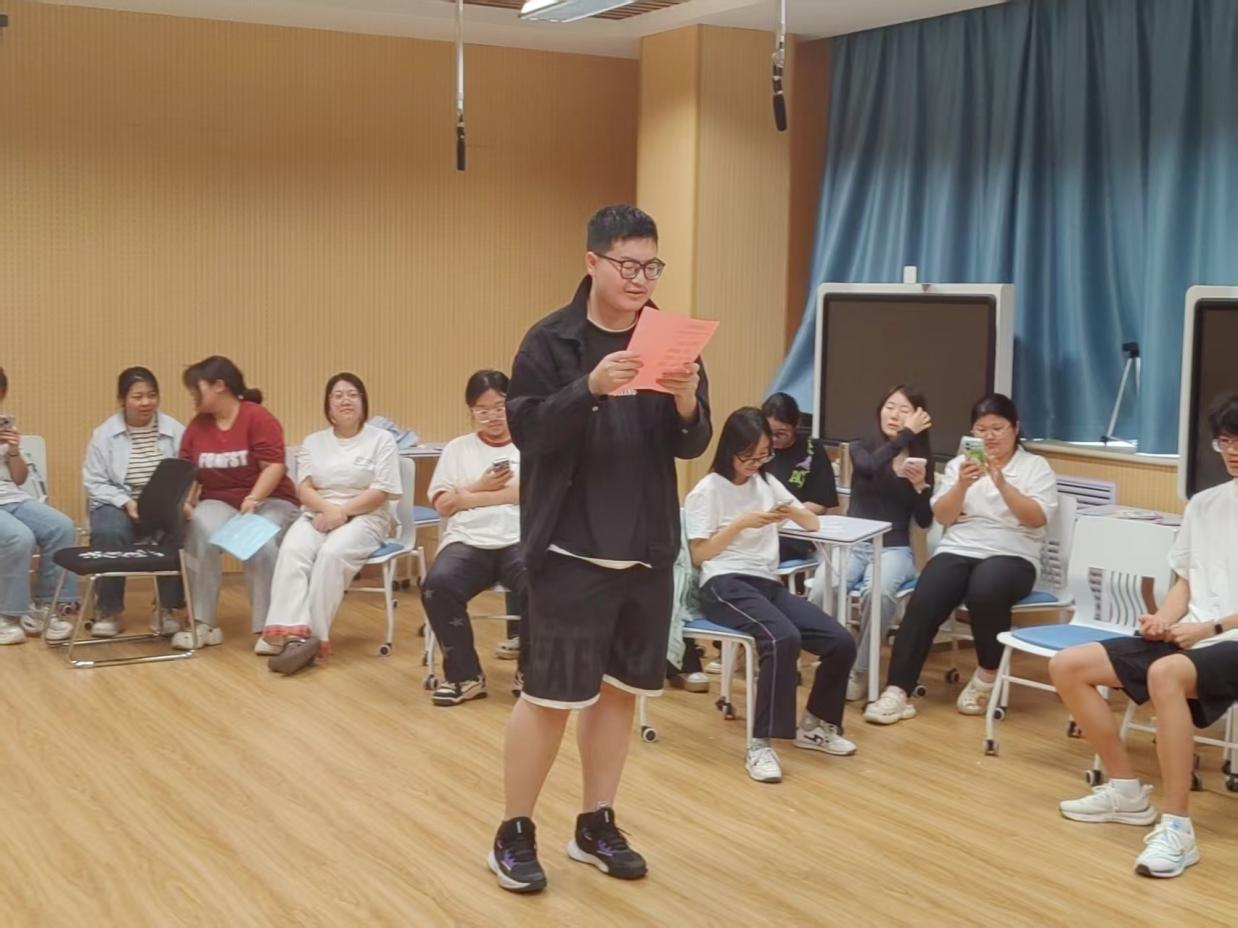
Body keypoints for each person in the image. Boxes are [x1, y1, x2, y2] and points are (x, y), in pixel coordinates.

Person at [488, 205, 711, 894]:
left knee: (619, 696)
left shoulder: (670, 337)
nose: (641, 279)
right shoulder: (549, 341)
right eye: (628, 265)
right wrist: (588, 388)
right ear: (593, 263)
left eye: (651, 266)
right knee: (550, 696)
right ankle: (513, 832)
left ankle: (595, 823)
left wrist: (686, 401)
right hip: (569, 547)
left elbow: (692, 443)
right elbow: (527, 430)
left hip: (646, 547)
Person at [1049, 392, 1238, 879]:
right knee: (1068, 665)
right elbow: (1186, 583)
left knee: (1166, 674)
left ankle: (1178, 828)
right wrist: (1162, 619)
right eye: (1225, 441)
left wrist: (1210, 627)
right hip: (1193, 634)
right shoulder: (1205, 504)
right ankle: (1127, 792)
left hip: (1228, 638)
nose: (1233, 451)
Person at [686, 407, 857, 783]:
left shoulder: (765, 482)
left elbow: (813, 523)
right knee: (782, 638)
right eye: (748, 456)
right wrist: (740, 524)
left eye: (763, 455)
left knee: (841, 640)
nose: (755, 464)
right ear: (730, 450)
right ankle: (759, 744)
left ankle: (816, 725)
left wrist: (790, 511)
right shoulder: (708, 490)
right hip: (724, 582)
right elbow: (698, 555)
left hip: (765, 582)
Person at [865, 393, 1058, 725]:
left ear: (1015, 428)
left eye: (997, 428)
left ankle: (987, 674)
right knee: (926, 595)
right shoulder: (959, 466)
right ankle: (897, 691)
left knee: (986, 588)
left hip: (1014, 553)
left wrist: (1001, 483)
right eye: (981, 429)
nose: (990, 436)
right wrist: (962, 485)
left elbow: (1036, 518)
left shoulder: (1034, 467)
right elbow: (942, 516)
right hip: (960, 547)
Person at [258, 373, 401, 673]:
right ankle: (287, 630)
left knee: (331, 554)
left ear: (363, 402)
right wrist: (328, 511)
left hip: (366, 515)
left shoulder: (381, 439)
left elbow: (380, 492)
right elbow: (304, 488)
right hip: (319, 512)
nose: (346, 400)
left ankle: (310, 638)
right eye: (338, 395)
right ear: (328, 405)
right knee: (293, 550)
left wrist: (343, 513)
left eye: (353, 394)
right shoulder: (314, 441)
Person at [420, 369, 529, 705]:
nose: (492, 416)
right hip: (467, 541)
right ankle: (465, 676)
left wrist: (466, 497)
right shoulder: (457, 449)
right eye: (482, 410)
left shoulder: (531, 443)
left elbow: (530, 493)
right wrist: (482, 486)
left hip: (519, 538)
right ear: (471, 411)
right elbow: (442, 505)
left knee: (542, 582)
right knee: (438, 584)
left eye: (499, 407)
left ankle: (532, 672)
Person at [176, 356, 299, 651]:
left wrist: (254, 498)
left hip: (270, 499)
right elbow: (188, 470)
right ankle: (202, 622)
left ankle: (271, 628)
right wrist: (186, 501)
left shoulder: (258, 418)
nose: (193, 395)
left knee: (258, 540)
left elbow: (274, 466)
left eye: (197, 388)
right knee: (198, 529)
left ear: (219, 386)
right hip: (219, 500)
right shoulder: (198, 426)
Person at [843, 385, 934, 701]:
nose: (895, 415)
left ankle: (859, 670)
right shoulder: (861, 446)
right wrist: (904, 436)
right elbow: (868, 467)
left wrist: (920, 487)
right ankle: (839, 654)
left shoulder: (920, 459)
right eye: (890, 407)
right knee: (822, 589)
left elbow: (924, 520)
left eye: (904, 410)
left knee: (879, 593)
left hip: (894, 547)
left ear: (918, 417)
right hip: (853, 542)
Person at [82, 367, 186, 638]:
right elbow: (95, 482)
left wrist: (179, 502)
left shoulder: (176, 431)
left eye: (152, 395)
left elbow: (186, 473)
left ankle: (166, 609)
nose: (146, 402)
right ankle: (108, 610)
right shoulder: (104, 434)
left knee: (179, 530)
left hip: (162, 505)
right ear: (122, 400)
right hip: (117, 502)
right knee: (109, 531)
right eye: (137, 397)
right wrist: (126, 502)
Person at [0, 366, 78, 645]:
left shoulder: (4, 428)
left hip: (11, 497)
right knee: (20, 537)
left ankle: (47, 606)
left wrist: (13, 451)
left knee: (62, 526)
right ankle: (7, 616)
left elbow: (19, 479)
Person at [761, 392, 839, 562]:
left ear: (796, 424)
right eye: (769, 432)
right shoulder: (759, 447)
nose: (773, 439)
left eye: (781, 433)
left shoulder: (812, 450)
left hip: (795, 530)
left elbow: (821, 503)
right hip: (759, 526)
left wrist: (786, 514)